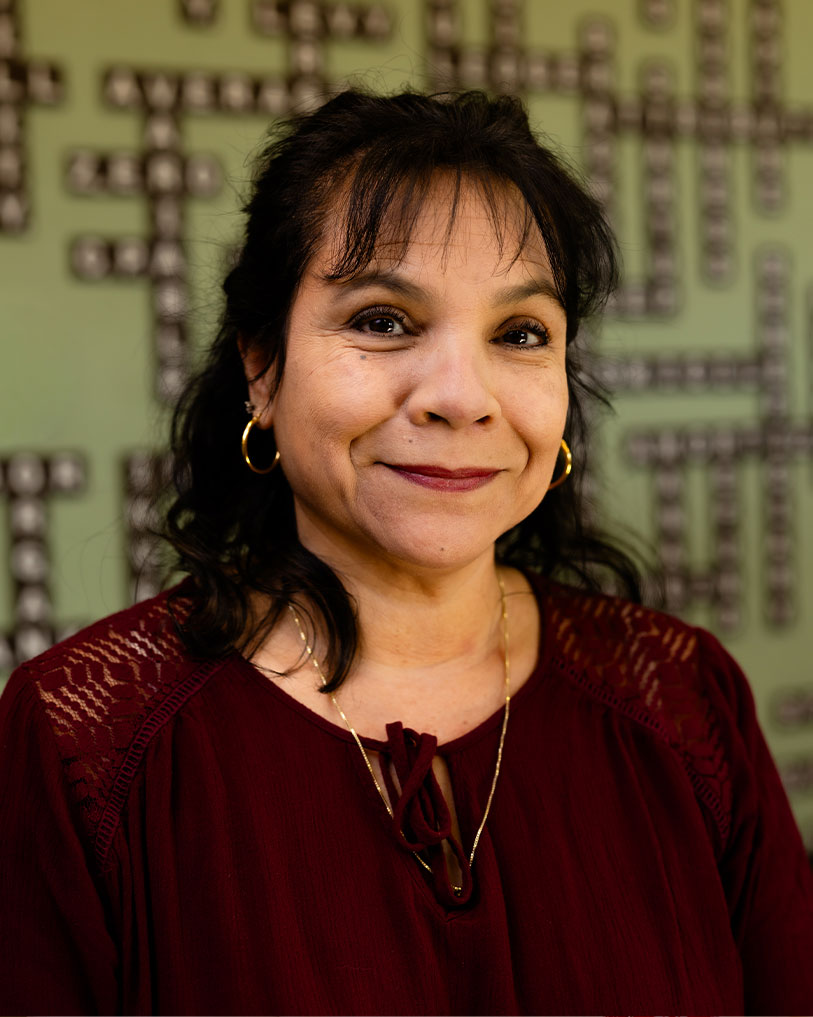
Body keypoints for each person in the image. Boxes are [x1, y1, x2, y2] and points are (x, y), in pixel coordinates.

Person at [1, 88, 812, 1017]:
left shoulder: (684, 699)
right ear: (260, 367)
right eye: (383, 319)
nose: (459, 398)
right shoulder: (87, 743)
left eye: (519, 334)